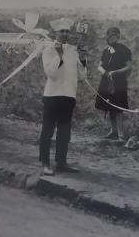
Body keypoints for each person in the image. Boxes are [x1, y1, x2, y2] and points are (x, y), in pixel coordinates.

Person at [39, 17, 87, 176]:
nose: (65, 34)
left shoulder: (73, 51)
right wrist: (59, 56)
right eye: (62, 31)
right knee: (47, 131)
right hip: (52, 96)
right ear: (55, 32)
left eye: (67, 31)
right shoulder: (48, 50)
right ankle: (45, 163)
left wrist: (83, 59)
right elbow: (51, 74)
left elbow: (81, 77)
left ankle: (61, 162)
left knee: (64, 132)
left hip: (68, 96)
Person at [94, 27, 132, 142]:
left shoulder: (124, 50)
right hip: (106, 81)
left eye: (115, 35)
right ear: (107, 37)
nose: (112, 37)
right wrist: (105, 72)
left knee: (118, 108)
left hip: (119, 82)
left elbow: (129, 66)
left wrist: (115, 72)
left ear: (118, 36)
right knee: (108, 106)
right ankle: (113, 131)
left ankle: (121, 134)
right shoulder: (106, 51)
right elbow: (99, 66)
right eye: (110, 35)